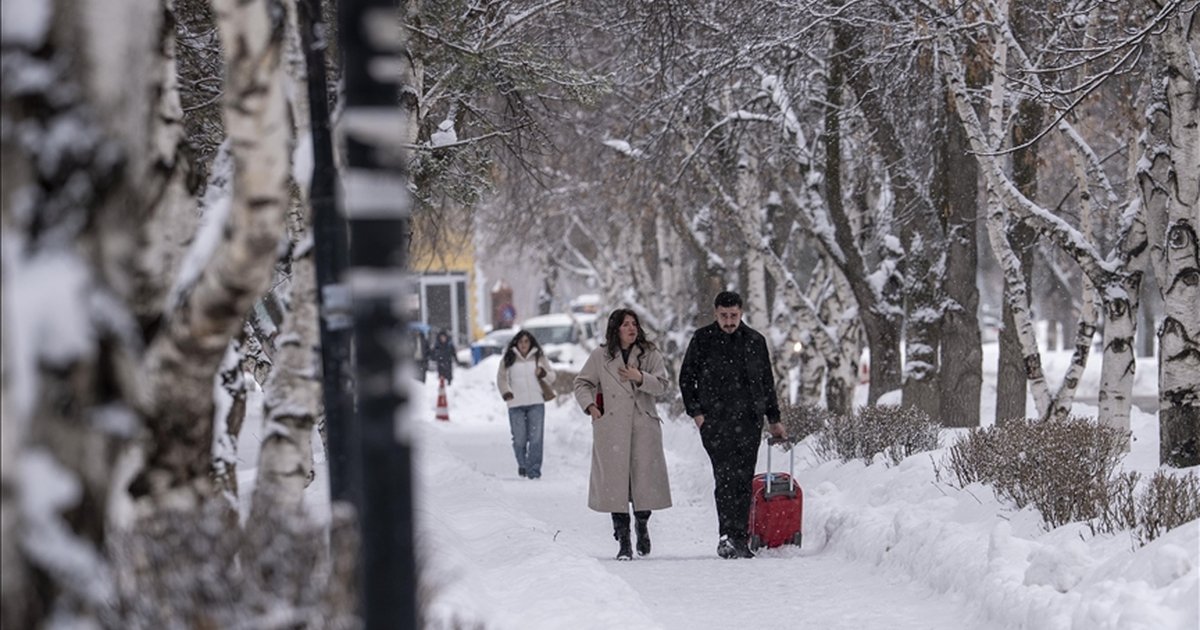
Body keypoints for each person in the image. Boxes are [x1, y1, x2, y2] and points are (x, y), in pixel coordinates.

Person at [679, 291, 787, 559]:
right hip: (715, 422)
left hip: (749, 421)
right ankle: (726, 535)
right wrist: (697, 414)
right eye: (724, 316)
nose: (729, 321)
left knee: (743, 479)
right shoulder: (703, 340)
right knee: (724, 477)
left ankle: (741, 537)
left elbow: (766, 383)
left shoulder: (754, 341)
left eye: (734, 316)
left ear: (741, 313)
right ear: (715, 313)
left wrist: (774, 419)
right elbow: (686, 378)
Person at [574, 309, 672, 560]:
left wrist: (639, 377)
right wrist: (592, 407)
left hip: (643, 425)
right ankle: (624, 541)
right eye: (625, 324)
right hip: (612, 427)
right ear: (615, 329)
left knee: (643, 482)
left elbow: (662, 386)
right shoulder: (600, 356)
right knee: (615, 486)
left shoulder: (650, 354)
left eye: (634, 324)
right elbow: (582, 383)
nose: (631, 328)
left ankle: (642, 524)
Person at [496, 330, 556, 479]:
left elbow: (552, 377)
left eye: (526, 341)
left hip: (536, 403)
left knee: (536, 438)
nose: (523, 345)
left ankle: (534, 471)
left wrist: (542, 373)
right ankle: (523, 464)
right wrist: (506, 392)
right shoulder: (508, 359)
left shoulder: (539, 357)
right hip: (515, 404)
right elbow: (501, 379)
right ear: (516, 343)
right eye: (521, 341)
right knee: (519, 438)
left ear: (531, 343)